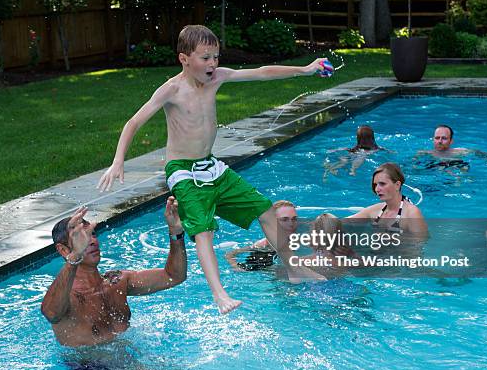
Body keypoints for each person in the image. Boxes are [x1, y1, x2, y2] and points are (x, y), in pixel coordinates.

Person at [96, 25, 329, 313]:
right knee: (204, 230)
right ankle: (219, 295)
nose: (213, 64)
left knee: (265, 208)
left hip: (211, 165)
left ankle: (294, 269)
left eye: (216, 57)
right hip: (183, 171)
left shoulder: (217, 78)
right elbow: (133, 122)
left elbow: (262, 72)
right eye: (205, 58)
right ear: (184, 59)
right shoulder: (172, 89)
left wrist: (306, 70)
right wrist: (118, 160)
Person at [41, 197, 187, 347]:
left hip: (128, 359)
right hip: (88, 368)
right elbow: (51, 314)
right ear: (64, 250)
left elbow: (174, 276)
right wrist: (76, 255)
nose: (91, 241)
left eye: (92, 234)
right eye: (81, 237)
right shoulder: (66, 297)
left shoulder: (117, 281)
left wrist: (175, 232)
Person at [349, 162, 428, 236]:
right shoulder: (375, 210)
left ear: (397, 185)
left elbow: (420, 245)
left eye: (382, 184)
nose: (377, 189)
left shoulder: (411, 213)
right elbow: (343, 223)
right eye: (375, 184)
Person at [225, 200, 298, 272]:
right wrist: (236, 266)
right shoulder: (262, 245)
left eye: (294, 219)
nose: (291, 224)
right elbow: (230, 255)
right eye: (284, 219)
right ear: (272, 221)